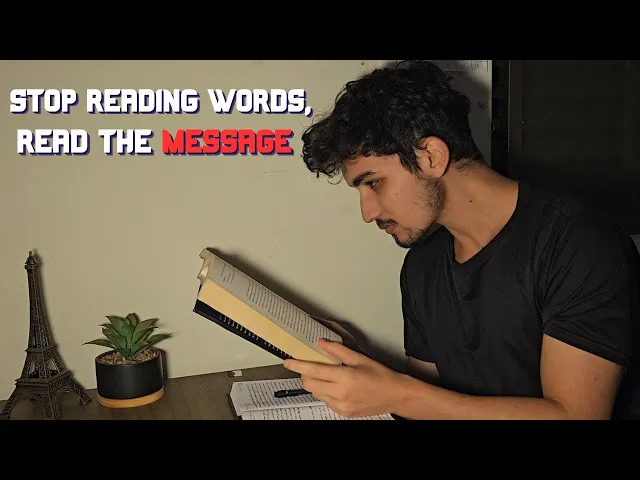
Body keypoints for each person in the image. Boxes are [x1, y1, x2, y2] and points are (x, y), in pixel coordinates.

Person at [282, 60, 640, 420]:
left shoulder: (577, 239)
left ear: (431, 157)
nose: (367, 212)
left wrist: (397, 395)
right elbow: (428, 401)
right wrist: (357, 364)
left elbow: (577, 415)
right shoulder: (422, 265)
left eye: (374, 182)